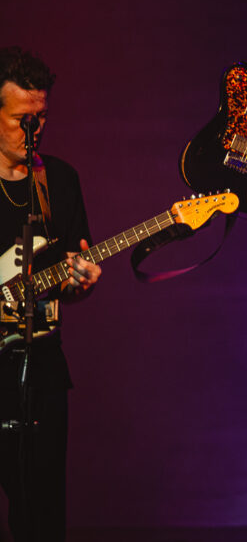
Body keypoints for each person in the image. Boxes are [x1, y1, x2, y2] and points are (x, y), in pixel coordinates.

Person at [0, 46, 102, 541]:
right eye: (21, 119)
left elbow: (66, 282)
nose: (33, 130)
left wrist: (79, 282)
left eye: (40, 118)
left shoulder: (58, 180)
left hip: (40, 366)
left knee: (41, 516)